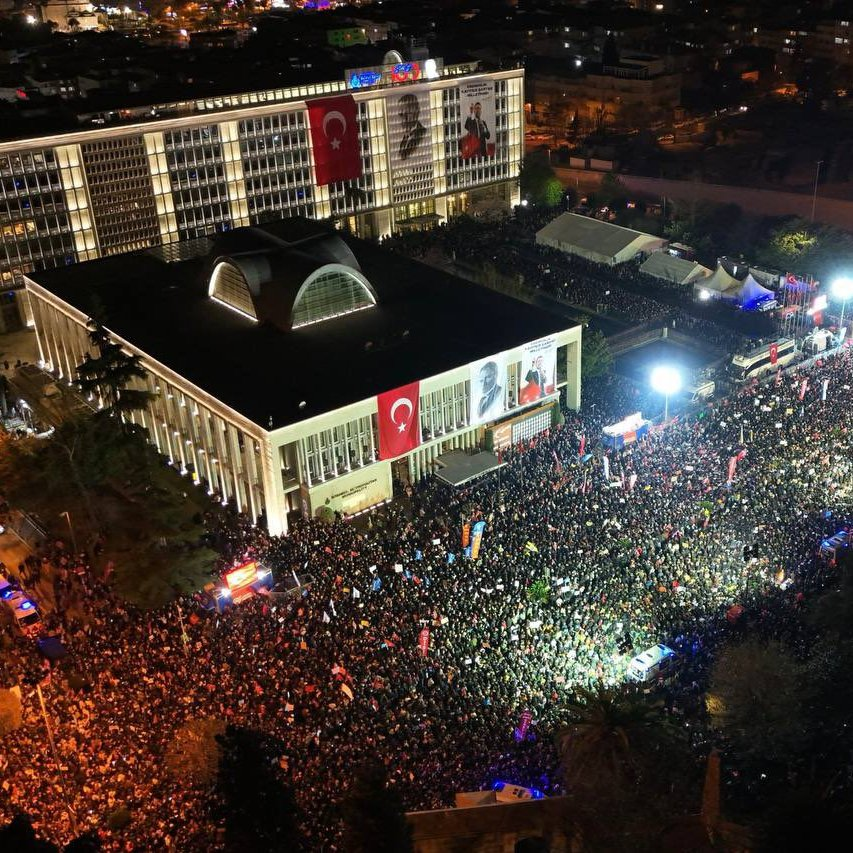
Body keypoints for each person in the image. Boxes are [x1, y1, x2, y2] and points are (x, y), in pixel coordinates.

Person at [397, 94, 426, 161]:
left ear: (417, 112)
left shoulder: (423, 134)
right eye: (401, 115)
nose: (404, 119)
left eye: (408, 114)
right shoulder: (404, 139)